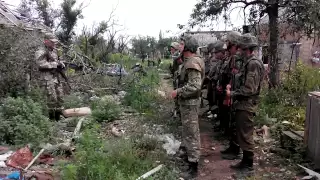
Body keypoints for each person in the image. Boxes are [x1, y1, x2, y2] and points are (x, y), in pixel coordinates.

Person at [226, 33, 264, 172]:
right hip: (243, 104)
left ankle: (248, 165)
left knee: (246, 135)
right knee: (242, 134)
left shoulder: (253, 63)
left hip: (247, 105)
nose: (239, 50)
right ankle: (245, 161)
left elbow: (249, 89)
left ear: (246, 48)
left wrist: (233, 93)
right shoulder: (248, 62)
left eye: (241, 48)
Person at [171, 35, 204, 179]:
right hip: (186, 103)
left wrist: (178, 91)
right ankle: (190, 159)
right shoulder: (189, 61)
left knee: (192, 133)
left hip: (190, 104)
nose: (179, 46)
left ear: (188, 47)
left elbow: (195, 86)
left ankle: (193, 166)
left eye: (182, 44)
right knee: (188, 132)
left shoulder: (192, 62)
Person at [220, 31, 244, 160]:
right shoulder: (234, 57)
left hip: (239, 95)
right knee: (232, 122)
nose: (227, 45)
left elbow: (241, 79)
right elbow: (232, 76)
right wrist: (229, 86)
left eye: (229, 42)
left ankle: (236, 150)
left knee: (236, 124)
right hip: (232, 94)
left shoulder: (240, 58)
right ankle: (232, 147)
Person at [35, 33, 65, 121]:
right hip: (47, 78)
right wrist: (54, 64)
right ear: (46, 41)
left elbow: (57, 60)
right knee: (52, 99)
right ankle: (52, 119)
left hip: (56, 77)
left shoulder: (54, 50)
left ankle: (58, 118)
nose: (54, 44)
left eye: (54, 42)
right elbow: (40, 64)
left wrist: (61, 63)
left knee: (60, 97)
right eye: (52, 42)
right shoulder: (41, 51)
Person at [212, 40, 229, 133]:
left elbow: (227, 77)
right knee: (221, 109)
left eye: (216, 52)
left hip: (225, 91)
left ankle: (225, 128)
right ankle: (221, 125)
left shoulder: (227, 62)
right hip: (219, 90)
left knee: (225, 110)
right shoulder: (220, 62)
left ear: (222, 52)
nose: (215, 55)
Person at [170, 42, 183, 118]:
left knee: (178, 95)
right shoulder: (175, 55)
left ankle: (178, 111)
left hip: (178, 79)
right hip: (176, 78)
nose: (171, 50)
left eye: (172, 49)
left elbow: (180, 65)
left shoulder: (178, 55)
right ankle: (177, 110)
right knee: (176, 95)